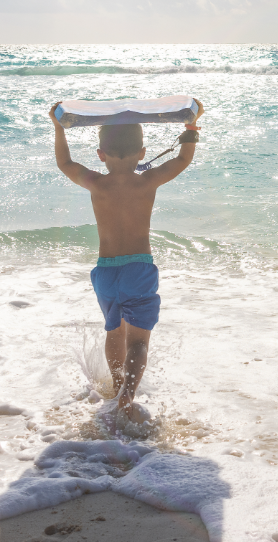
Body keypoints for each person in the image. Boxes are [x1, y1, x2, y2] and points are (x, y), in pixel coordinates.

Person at [48, 102, 203, 419]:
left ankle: (118, 386)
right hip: (138, 269)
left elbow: (65, 163)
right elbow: (183, 159)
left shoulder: (97, 183)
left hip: (105, 272)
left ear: (100, 154)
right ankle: (128, 395)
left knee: (114, 332)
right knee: (138, 341)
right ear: (142, 153)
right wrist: (191, 125)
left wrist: (58, 128)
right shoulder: (147, 181)